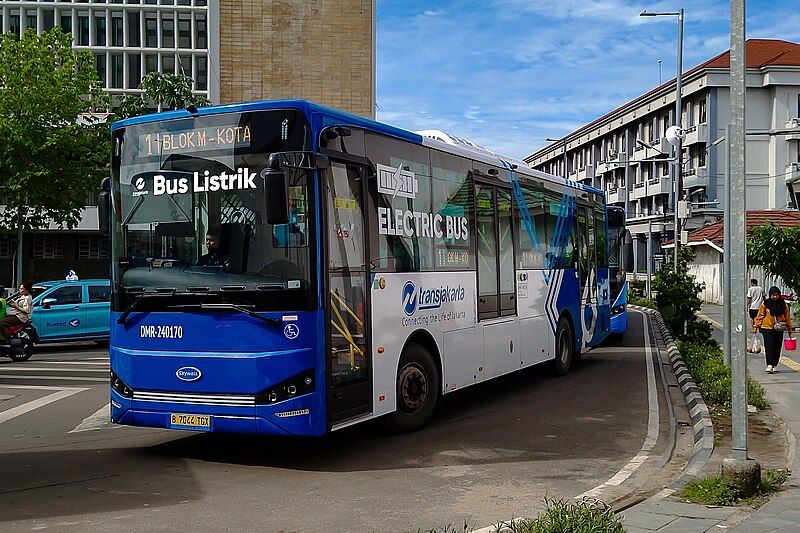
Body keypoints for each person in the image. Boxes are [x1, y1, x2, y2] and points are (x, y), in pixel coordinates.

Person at [753, 286, 794, 373]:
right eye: (773, 295)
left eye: (776, 295)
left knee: (777, 346)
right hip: (767, 327)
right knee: (769, 345)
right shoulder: (765, 304)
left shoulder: (784, 305)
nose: (774, 297)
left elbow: (787, 318)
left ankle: (775, 363)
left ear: (779, 294)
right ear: (770, 295)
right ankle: (769, 364)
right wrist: (756, 326)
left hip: (779, 328)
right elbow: (760, 316)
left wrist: (789, 329)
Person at [0, 280, 33, 345]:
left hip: (20, 317)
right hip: (16, 315)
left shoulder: (27, 298)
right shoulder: (22, 296)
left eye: (21, 288)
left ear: (26, 290)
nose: (20, 290)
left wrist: (16, 306)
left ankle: (7, 339)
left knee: (2, 323)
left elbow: (27, 310)